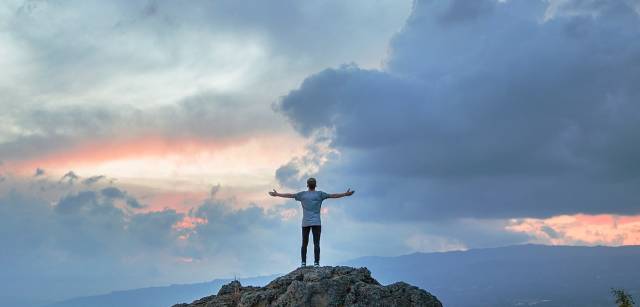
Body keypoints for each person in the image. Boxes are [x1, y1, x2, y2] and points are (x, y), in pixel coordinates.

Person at [269, 177, 354, 267]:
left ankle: (303, 263)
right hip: (316, 222)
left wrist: (277, 194)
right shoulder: (320, 194)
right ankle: (316, 263)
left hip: (305, 223)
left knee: (304, 243)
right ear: (315, 185)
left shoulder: (302, 195)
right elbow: (333, 195)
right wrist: (345, 194)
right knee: (316, 243)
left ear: (307, 185)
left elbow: (290, 195)